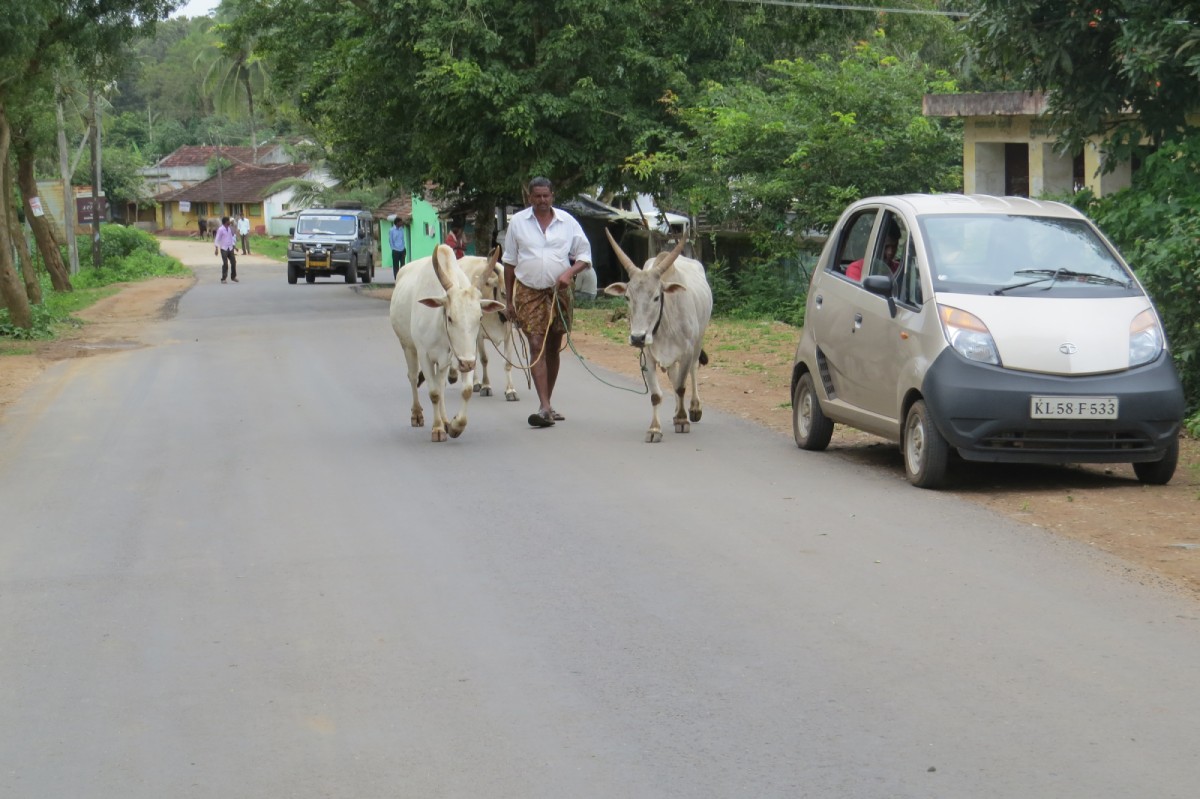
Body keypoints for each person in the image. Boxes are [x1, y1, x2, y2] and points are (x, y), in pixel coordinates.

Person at [502, 176, 593, 428]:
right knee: (535, 343)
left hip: (559, 292)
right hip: (528, 291)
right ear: (529, 197)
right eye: (537, 196)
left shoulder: (567, 222)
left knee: (553, 346)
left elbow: (585, 255)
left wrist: (568, 273)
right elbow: (509, 262)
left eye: (546, 196)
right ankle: (543, 406)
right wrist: (509, 301)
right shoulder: (518, 223)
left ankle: (548, 403)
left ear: (552, 196)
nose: (542, 200)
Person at [214, 216, 238, 283]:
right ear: (225, 222)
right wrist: (216, 248)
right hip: (224, 248)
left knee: (233, 262)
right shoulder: (221, 229)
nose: (230, 222)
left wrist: (234, 246)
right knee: (225, 263)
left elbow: (231, 237)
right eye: (228, 221)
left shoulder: (229, 228)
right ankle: (223, 278)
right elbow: (217, 239)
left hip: (230, 248)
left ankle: (233, 277)